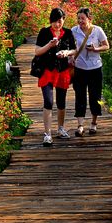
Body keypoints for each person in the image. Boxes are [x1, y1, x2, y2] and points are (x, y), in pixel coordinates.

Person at [35, 8, 77, 146]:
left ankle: (60, 128)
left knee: (61, 101)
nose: (57, 25)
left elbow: (75, 49)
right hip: (47, 70)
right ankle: (47, 134)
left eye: (59, 21)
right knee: (48, 101)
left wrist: (67, 52)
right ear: (50, 21)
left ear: (63, 20)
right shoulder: (44, 32)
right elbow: (37, 51)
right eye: (54, 22)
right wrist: (49, 45)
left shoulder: (68, 33)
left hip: (62, 70)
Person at [71, 7, 109, 137]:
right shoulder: (74, 31)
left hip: (95, 68)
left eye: (83, 18)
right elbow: (70, 47)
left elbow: (106, 46)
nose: (80, 21)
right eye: (79, 18)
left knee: (95, 96)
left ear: (89, 19)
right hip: (79, 68)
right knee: (80, 96)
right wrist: (70, 56)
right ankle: (80, 125)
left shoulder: (97, 30)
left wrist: (96, 49)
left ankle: (93, 123)